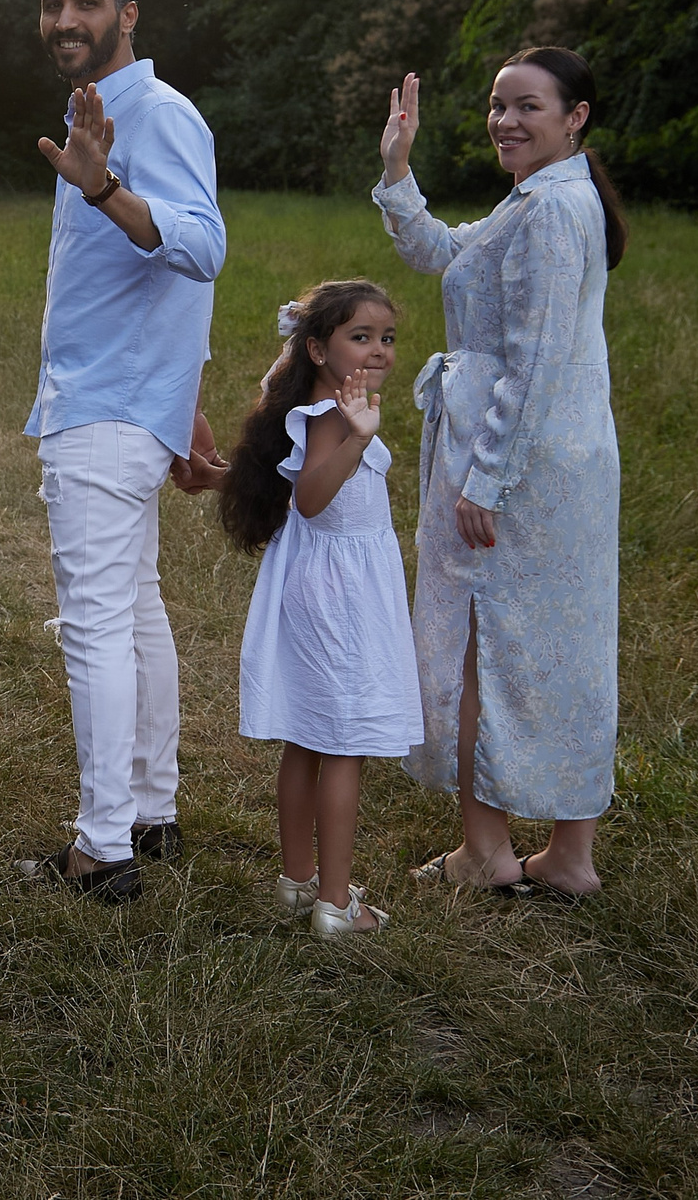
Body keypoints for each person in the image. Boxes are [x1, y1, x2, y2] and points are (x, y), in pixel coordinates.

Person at [375, 52, 625, 901]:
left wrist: (487, 478)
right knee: (564, 647)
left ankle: (486, 855)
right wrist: (398, 171)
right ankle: (568, 857)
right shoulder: (542, 198)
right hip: (558, 457)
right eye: (496, 107)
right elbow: (447, 254)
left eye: (528, 107)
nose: (506, 121)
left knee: (488, 643)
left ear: (576, 115)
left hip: (519, 461)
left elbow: (535, 360)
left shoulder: (553, 209)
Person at [23, 0, 228, 905]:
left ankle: (101, 845)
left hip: (103, 410)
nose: (67, 18)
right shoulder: (97, 113)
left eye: (87, 2)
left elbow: (200, 247)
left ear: (129, 13)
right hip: (124, 400)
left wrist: (104, 187)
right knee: (134, 611)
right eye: (54, 1)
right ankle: (148, 808)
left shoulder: (157, 114)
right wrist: (182, 402)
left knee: (96, 622)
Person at [219, 281, 421, 938]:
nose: (379, 350)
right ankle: (336, 904)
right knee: (344, 744)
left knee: (308, 738)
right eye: (360, 337)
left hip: (318, 579)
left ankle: (299, 883)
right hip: (340, 594)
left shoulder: (323, 394)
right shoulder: (337, 412)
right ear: (317, 347)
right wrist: (359, 439)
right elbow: (310, 497)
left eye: (385, 338)